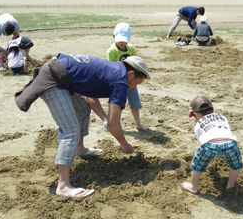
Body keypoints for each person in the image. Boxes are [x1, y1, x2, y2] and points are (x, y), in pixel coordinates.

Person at [15, 53, 150, 198]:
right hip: (54, 79)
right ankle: (63, 186)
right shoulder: (121, 82)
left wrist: (104, 118)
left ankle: (80, 149)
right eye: (137, 83)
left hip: (63, 76)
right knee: (70, 130)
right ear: (131, 74)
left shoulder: (115, 69)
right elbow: (114, 123)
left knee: (82, 109)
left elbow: (91, 98)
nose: (134, 87)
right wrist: (124, 144)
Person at [87, 22, 147, 131]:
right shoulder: (112, 51)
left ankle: (138, 123)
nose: (122, 43)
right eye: (120, 40)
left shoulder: (131, 49)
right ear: (113, 37)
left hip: (131, 81)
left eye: (125, 41)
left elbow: (135, 65)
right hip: (118, 82)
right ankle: (112, 123)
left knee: (135, 103)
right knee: (117, 104)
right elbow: (112, 68)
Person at [181, 95, 243, 195]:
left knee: (197, 165)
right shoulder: (222, 117)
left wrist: (208, 159)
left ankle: (193, 187)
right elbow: (226, 131)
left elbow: (202, 144)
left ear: (195, 114)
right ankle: (230, 186)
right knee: (235, 166)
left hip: (209, 144)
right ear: (212, 109)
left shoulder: (198, 124)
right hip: (230, 143)